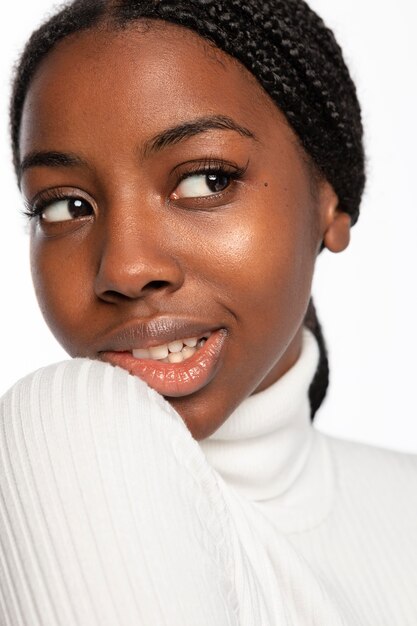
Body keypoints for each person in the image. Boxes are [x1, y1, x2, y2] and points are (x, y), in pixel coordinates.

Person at [0, 0, 416, 624]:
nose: (126, 267)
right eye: (66, 207)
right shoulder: (68, 429)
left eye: (206, 181)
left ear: (329, 200)